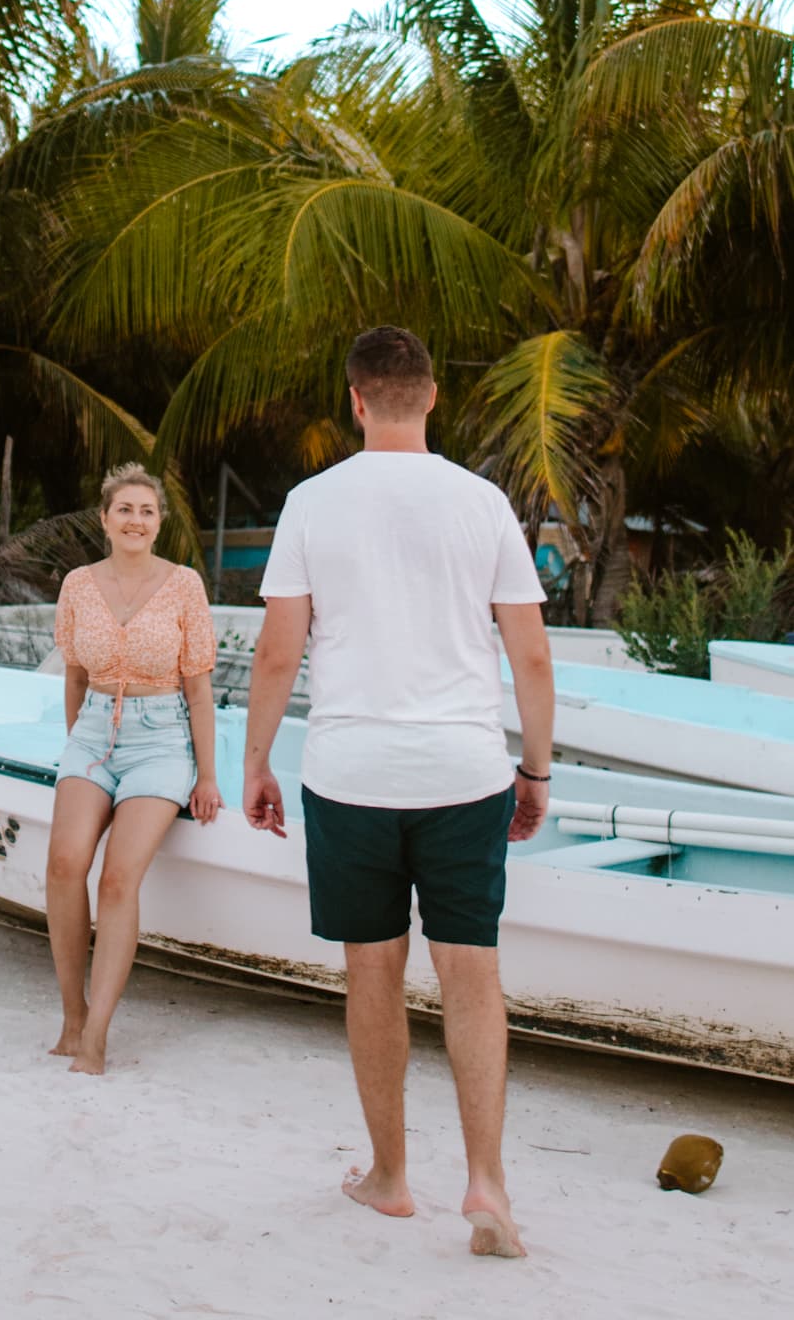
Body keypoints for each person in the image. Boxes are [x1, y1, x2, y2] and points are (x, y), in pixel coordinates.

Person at [243, 327, 554, 1260]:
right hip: (464, 771)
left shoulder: (311, 501)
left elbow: (276, 652)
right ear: (429, 398)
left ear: (355, 400)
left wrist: (255, 761)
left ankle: (388, 1179)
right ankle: (488, 1184)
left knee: (372, 975)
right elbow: (529, 654)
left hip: (350, 772)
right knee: (472, 976)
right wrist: (532, 769)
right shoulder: (482, 501)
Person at [45, 463, 221, 1075]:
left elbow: (200, 691)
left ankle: (97, 1035)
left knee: (117, 879)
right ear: (105, 518)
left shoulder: (184, 586)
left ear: (159, 523)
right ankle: (72, 1016)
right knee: (65, 863)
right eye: (125, 509)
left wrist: (206, 775)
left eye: (147, 511)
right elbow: (72, 675)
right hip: (93, 735)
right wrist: (79, 752)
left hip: (163, 740)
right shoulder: (77, 584)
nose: (136, 520)